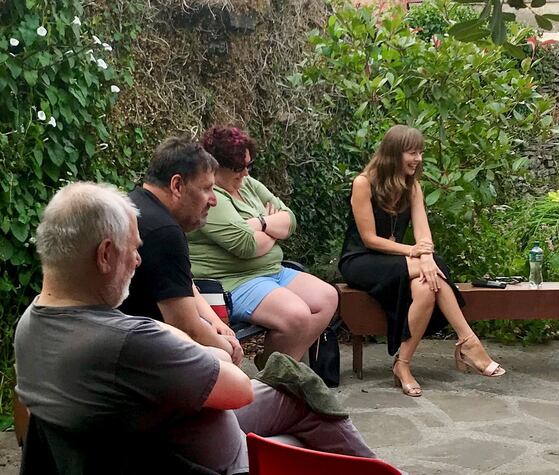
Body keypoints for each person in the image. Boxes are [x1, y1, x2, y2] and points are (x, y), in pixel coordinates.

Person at [15, 182, 374, 474]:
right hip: (201, 463)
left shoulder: (31, 324)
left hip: (148, 441)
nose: (138, 260)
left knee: (297, 392)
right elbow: (238, 388)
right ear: (105, 254)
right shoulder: (130, 342)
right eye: (133, 250)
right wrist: (189, 341)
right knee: (301, 431)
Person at [339, 125, 505, 398]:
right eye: (411, 152)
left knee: (429, 286)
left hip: (401, 261)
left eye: (420, 152)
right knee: (434, 271)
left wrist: (425, 255)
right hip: (362, 260)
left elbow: (423, 233)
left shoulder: (411, 186)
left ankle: (402, 364)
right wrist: (416, 253)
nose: (417, 159)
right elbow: (370, 239)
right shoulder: (364, 183)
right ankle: (468, 341)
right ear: (394, 153)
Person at [187, 126, 336, 361]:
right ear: (215, 167)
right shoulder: (211, 195)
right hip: (234, 281)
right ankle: (277, 379)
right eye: (238, 168)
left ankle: (276, 368)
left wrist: (260, 224)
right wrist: (274, 227)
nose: (245, 173)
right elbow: (245, 245)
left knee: (327, 297)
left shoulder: (246, 184)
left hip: (271, 271)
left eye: (249, 165)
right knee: (296, 315)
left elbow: (290, 219)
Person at [119, 136, 244, 366]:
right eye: (207, 189)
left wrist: (214, 321)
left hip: (116, 341)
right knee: (223, 360)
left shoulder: (136, 205)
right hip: (134, 358)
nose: (213, 200)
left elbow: (180, 284)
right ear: (177, 185)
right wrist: (231, 348)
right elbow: (187, 328)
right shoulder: (164, 232)